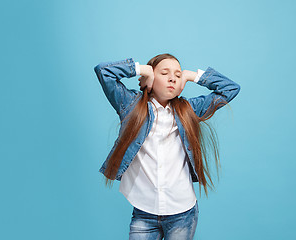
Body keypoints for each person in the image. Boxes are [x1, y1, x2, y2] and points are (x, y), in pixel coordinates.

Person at [93, 53, 241, 240]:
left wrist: (190, 75)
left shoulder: (190, 110)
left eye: (177, 76)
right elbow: (103, 71)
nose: (172, 77)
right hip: (144, 212)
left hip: (183, 212)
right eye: (164, 73)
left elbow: (230, 89)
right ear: (151, 80)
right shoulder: (130, 105)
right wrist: (142, 69)